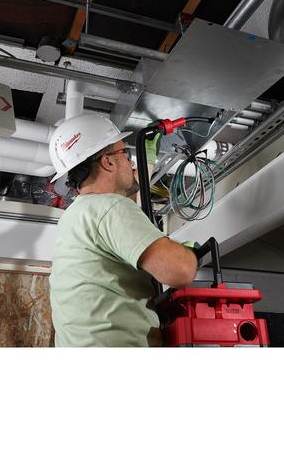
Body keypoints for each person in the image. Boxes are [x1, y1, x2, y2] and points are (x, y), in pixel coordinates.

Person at [48, 113, 198, 347]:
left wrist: (147, 158)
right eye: (126, 155)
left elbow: (127, 200)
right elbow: (181, 271)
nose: (131, 163)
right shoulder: (109, 208)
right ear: (108, 162)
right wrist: (187, 256)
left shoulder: (75, 216)